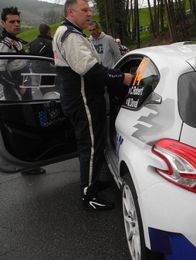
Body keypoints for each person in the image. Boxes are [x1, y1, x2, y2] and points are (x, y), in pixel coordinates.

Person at [53, 0, 133, 211]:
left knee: (94, 144)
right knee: (90, 146)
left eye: (90, 9)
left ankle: (93, 181)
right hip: (84, 102)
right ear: (70, 12)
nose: (90, 13)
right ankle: (89, 194)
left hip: (81, 100)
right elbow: (91, 71)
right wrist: (120, 77)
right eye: (84, 10)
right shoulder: (70, 36)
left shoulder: (68, 32)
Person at [0, 7, 46, 175]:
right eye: (12, 22)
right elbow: (0, 71)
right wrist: (16, 87)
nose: (17, 24)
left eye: (18, 21)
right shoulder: (3, 44)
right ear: (3, 23)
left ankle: (31, 161)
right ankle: (26, 165)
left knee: (30, 122)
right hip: (15, 90)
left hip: (25, 85)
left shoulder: (17, 41)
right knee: (22, 127)